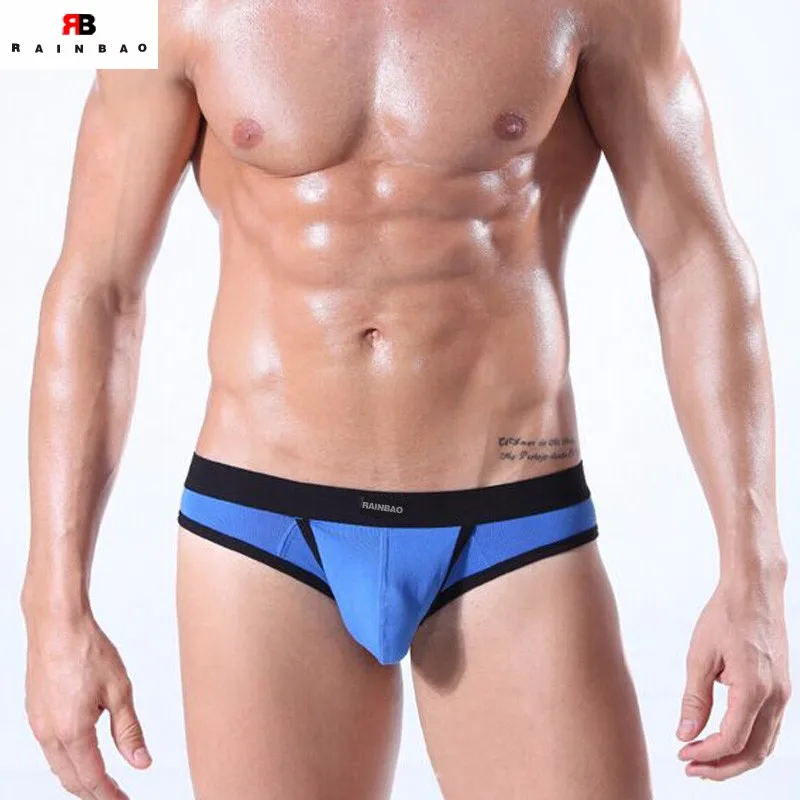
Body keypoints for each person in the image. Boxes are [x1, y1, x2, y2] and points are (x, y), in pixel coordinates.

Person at [21, 0, 791, 798]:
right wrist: (53, 609)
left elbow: (697, 259)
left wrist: (756, 575)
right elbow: (97, 291)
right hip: (263, 526)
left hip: (512, 519)